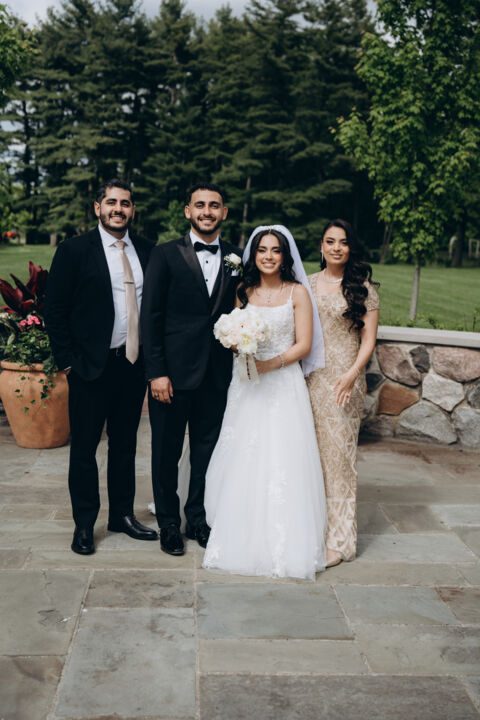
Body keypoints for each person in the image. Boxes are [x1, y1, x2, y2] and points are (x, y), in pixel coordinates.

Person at [203, 225, 327, 581]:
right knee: (243, 451)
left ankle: (284, 540)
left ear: (285, 256)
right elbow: (234, 331)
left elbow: (304, 344)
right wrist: (235, 342)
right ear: (253, 255)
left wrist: (270, 365)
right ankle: (238, 529)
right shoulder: (244, 290)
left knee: (282, 455)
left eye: (275, 250)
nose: (268, 256)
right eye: (262, 250)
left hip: (283, 384)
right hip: (247, 385)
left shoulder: (297, 292)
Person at [44, 178, 157, 555]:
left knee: (125, 446)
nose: (118, 209)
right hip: (89, 367)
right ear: (98, 208)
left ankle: (122, 515)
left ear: (133, 210)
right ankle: (84, 524)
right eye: (111, 202)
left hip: (132, 365)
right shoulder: (74, 250)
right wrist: (67, 363)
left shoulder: (147, 250)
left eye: (125, 203)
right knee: (84, 449)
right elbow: (54, 310)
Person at [141, 182, 240, 556]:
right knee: (166, 452)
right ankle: (168, 523)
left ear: (224, 212)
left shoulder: (236, 257)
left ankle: (197, 518)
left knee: (206, 452)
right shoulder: (165, 254)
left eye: (214, 205)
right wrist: (156, 372)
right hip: (172, 375)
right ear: (188, 211)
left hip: (216, 374)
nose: (207, 211)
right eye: (200, 205)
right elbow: (150, 317)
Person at [306, 219, 379, 568]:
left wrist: (352, 375)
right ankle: (313, 531)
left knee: (339, 459)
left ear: (351, 248)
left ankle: (339, 541)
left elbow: (369, 340)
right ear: (321, 246)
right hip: (309, 380)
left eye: (343, 242)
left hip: (343, 383)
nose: (337, 247)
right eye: (330, 241)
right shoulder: (306, 284)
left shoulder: (363, 289)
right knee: (311, 458)